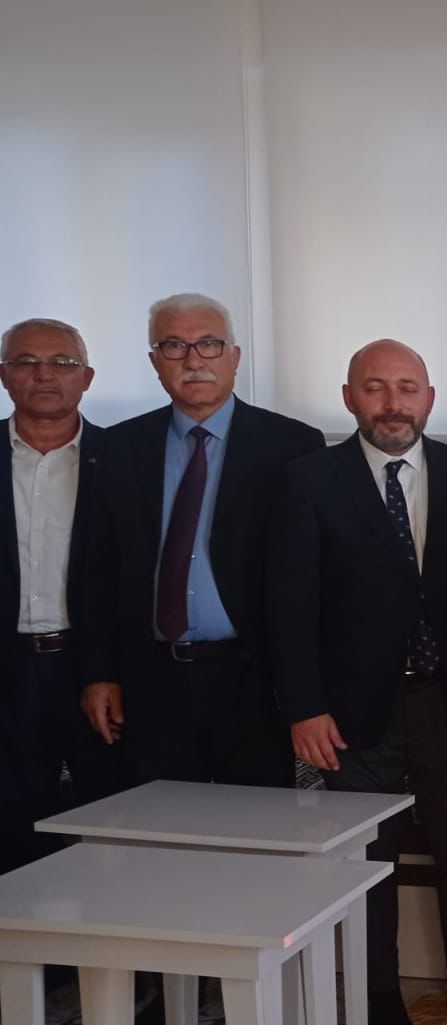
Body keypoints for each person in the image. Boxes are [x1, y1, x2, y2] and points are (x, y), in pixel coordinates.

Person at [269, 339, 447, 1025]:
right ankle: (377, 990)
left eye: (407, 387)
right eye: (375, 387)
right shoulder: (310, 480)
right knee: (368, 857)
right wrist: (303, 707)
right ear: (349, 398)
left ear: (429, 398)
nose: (393, 403)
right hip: (352, 710)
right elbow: (289, 604)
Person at [79, 294, 323, 786]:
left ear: (234, 356)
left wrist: (305, 693)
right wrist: (99, 672)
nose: (193, 360)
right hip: (150, 680)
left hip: (251, 679)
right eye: (174, 345)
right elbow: (98, 569)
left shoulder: (293, 445)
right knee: (159, 823)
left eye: (209, 344)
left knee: (255, 823)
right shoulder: (120, 447)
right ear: (155, 362)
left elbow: (307, 578)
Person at [1, 318, 124, 874]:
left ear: (87, 377)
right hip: (9, 669)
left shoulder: (123, 458)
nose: (44, 375)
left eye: (63, 363)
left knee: (111, 827)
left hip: (93, 670)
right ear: (4, 375)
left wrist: (107, 669)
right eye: (26, 362)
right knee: (12, 830)